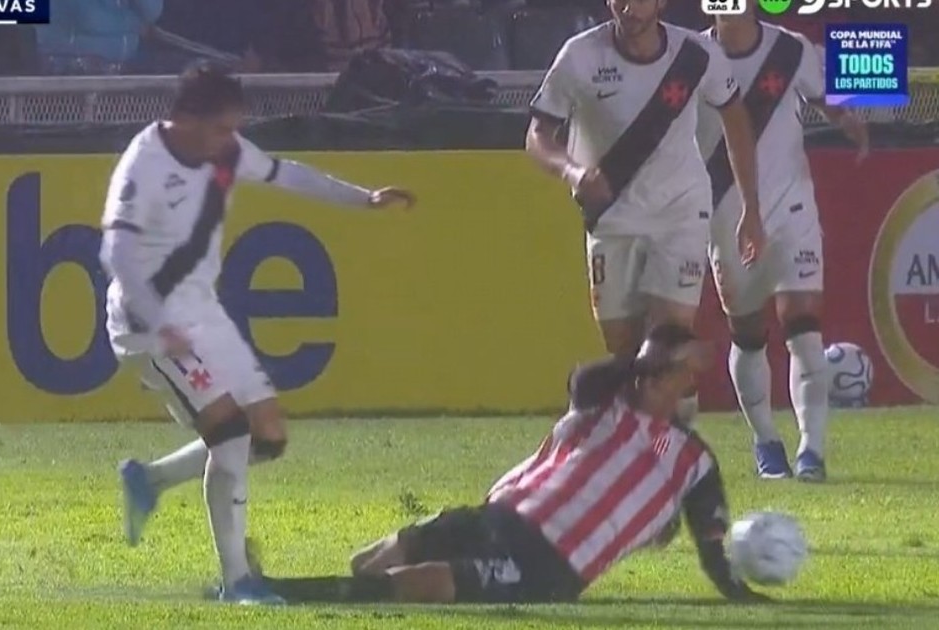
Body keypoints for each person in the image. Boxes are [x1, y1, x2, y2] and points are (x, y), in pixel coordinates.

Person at [99, 62, 415, 604]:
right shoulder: (143, 164)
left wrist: (362, 198)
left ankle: (149, 481)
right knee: (228, 432)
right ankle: (238, 581)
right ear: (188, 118)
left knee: (267, 436)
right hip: (149, 324)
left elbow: (287, 173)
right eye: (222, 127)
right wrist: (159, 321)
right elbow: (118, 253)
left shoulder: (224, 151)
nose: (231, 139)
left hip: (204, 312)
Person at [262, 324, 771, 605]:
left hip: (551, 561)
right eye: (646, 368)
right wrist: (648, 360)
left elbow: (712, 550)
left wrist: (744, 594)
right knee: (375, 560)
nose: (649, 379)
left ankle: (283, 594)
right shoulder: (601, 400)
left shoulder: (693, 460)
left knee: (430, 581)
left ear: (686, 380)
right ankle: (318, 594)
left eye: (667, 370)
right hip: (499, 515)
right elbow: (586, 376)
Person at [525, 0, 763, 428]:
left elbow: (735, 116)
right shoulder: (580, 56)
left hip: (680, 210)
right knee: (624, 350)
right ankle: (653, 425)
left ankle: (676, 443)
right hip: (612, 216)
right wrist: (573, 172)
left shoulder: (696, 56)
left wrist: (751, 206)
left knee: (666, 344)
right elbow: (538, 134)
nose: (628, 8)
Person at [699, 9, 868, 481]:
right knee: (749, 332)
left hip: (792, 206)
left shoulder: (790, 49)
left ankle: (812, 450)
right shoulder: (691, 56)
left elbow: (823, 95)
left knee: (803, 324)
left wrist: (846, 116)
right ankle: (766, 441)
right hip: (726, 213)